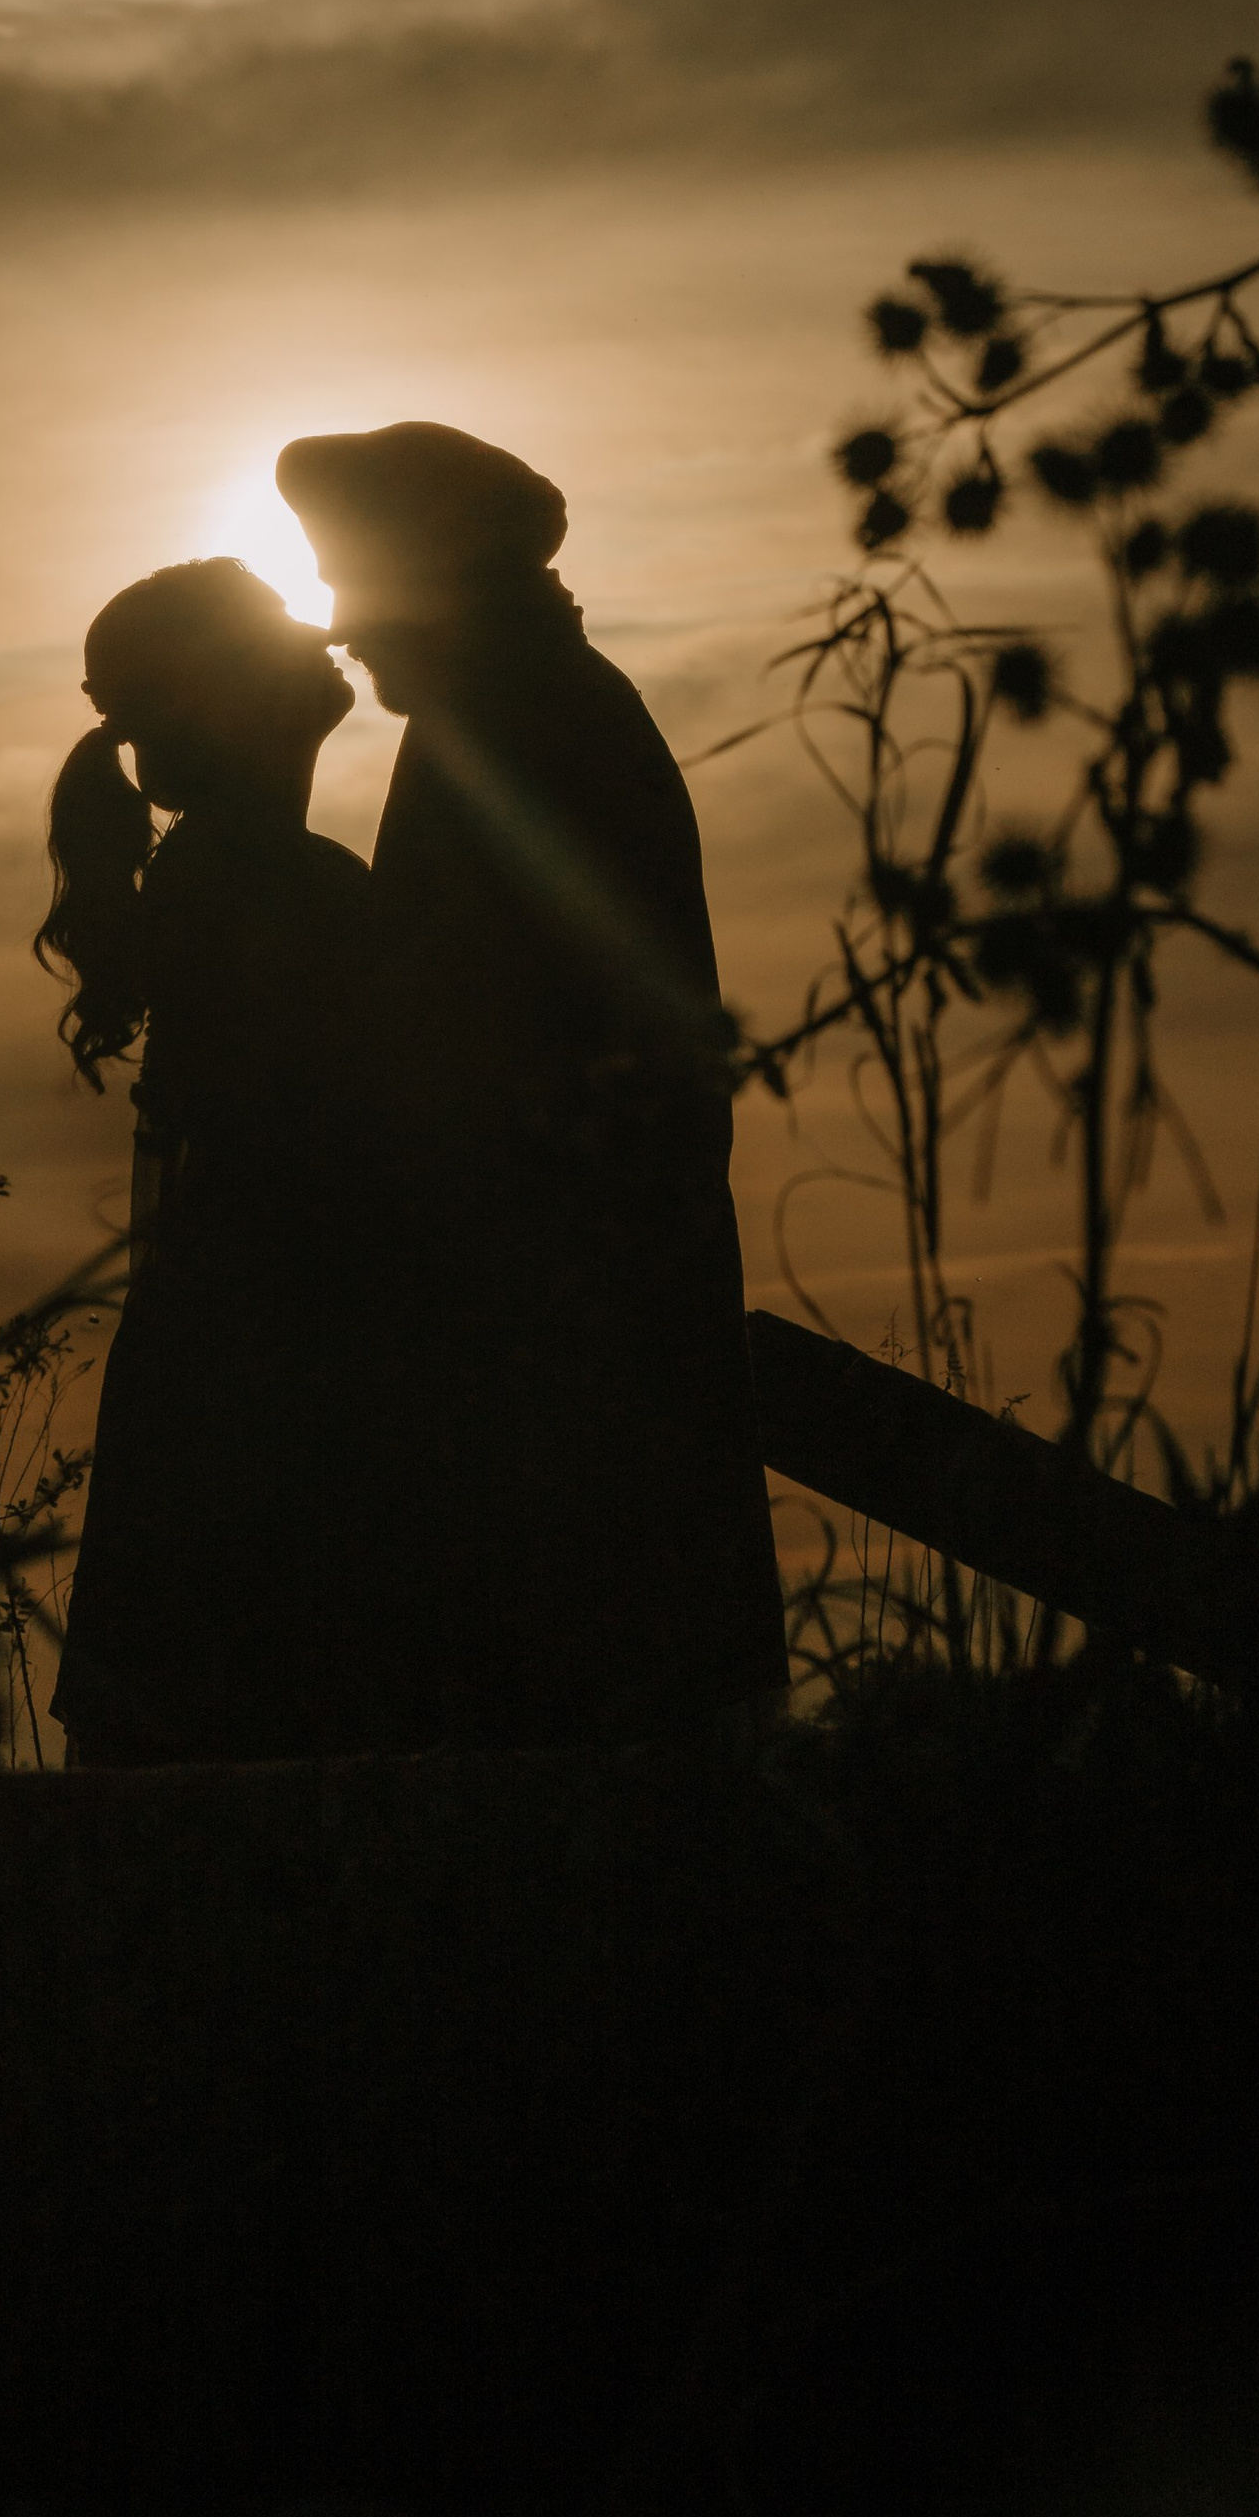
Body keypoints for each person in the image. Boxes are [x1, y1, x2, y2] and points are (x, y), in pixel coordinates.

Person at [274, 423, 786, 1748]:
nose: (336, 623)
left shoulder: (520, 730)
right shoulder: (514, 714)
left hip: (555, 1323)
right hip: (566, 1307)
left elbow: (474, 1037)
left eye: (351, 580)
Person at [38, 557, 415, 1763]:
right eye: (284, 643)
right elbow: (325, 1146)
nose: (324, 653)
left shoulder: (240, 872)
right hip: (277, 1351)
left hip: (246, 1336)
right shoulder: (276, 886)